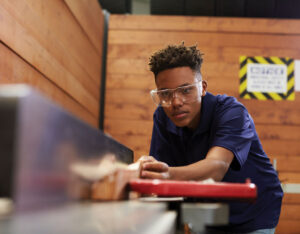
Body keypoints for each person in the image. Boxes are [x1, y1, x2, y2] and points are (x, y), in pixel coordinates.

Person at [139, 43, 283, 234]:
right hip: (207, 213)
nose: (176, 102)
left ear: (203, 88)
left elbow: (216, 167)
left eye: (186, 90)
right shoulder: (162, 117)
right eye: (165, 94)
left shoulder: (232, 112)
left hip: (254, 213)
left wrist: (166, 175)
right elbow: (164, 175)